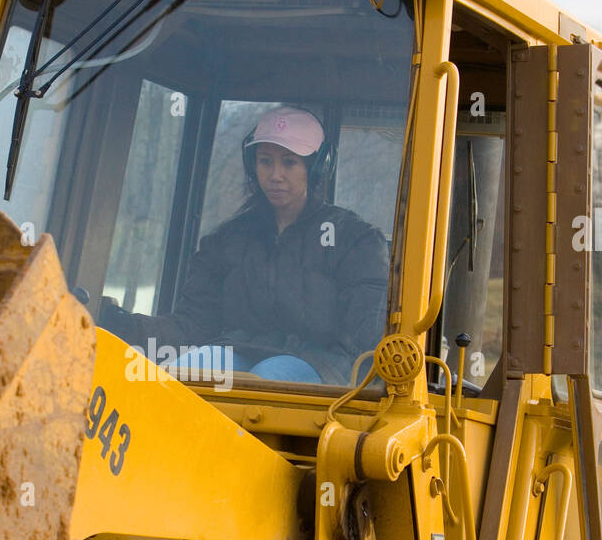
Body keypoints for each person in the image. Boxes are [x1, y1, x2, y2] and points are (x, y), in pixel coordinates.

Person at [98, 106, 389, 385]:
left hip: (320, 363)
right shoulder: (228, 240)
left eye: (289, 162)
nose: (275, 175)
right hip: (236, 351)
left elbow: (361, 343)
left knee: (266, 378)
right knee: (185, 372)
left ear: (315, 168)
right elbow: (193, 324)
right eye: (265, 161)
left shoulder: (355, 242)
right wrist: (122, 326)